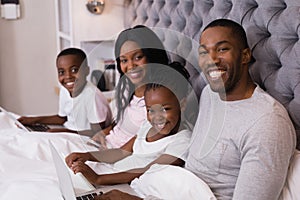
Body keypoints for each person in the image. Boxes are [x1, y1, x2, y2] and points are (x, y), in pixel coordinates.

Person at [94, 19, 296, 200]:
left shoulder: (267, 122)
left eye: (222, 49)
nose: (212, 60)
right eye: (203, 52)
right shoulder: (210, 93)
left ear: (245, 56)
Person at [65, 62, 192, 186]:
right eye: (150, 110)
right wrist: (87, 156)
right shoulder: (147, 126)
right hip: (111, 172)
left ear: (183, 104)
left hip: (123, 185)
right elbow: (120, 153)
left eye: (165, 109)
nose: (157, 117)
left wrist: (98, 179)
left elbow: (147, 171)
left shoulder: (182, 141)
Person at [92, 25, 170, 149]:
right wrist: (102, 133)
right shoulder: (128, 89)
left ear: (151, 56)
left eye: (138, 57)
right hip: (106, 145)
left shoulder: (159, 98)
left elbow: (135, 145)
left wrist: (95, 156)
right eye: (124, 60)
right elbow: (120, 125)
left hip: (118, 156)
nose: (131, 66)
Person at [18, 48, 112, 137]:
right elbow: (63, 118)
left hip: (83, 138)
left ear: (87, 71)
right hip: (68, 131)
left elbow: (97, 133)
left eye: (74, 70)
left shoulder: (92, 96)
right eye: (61, 72)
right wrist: (33, 120)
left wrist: (63, 132)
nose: (68, 76)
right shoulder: (65, 89)